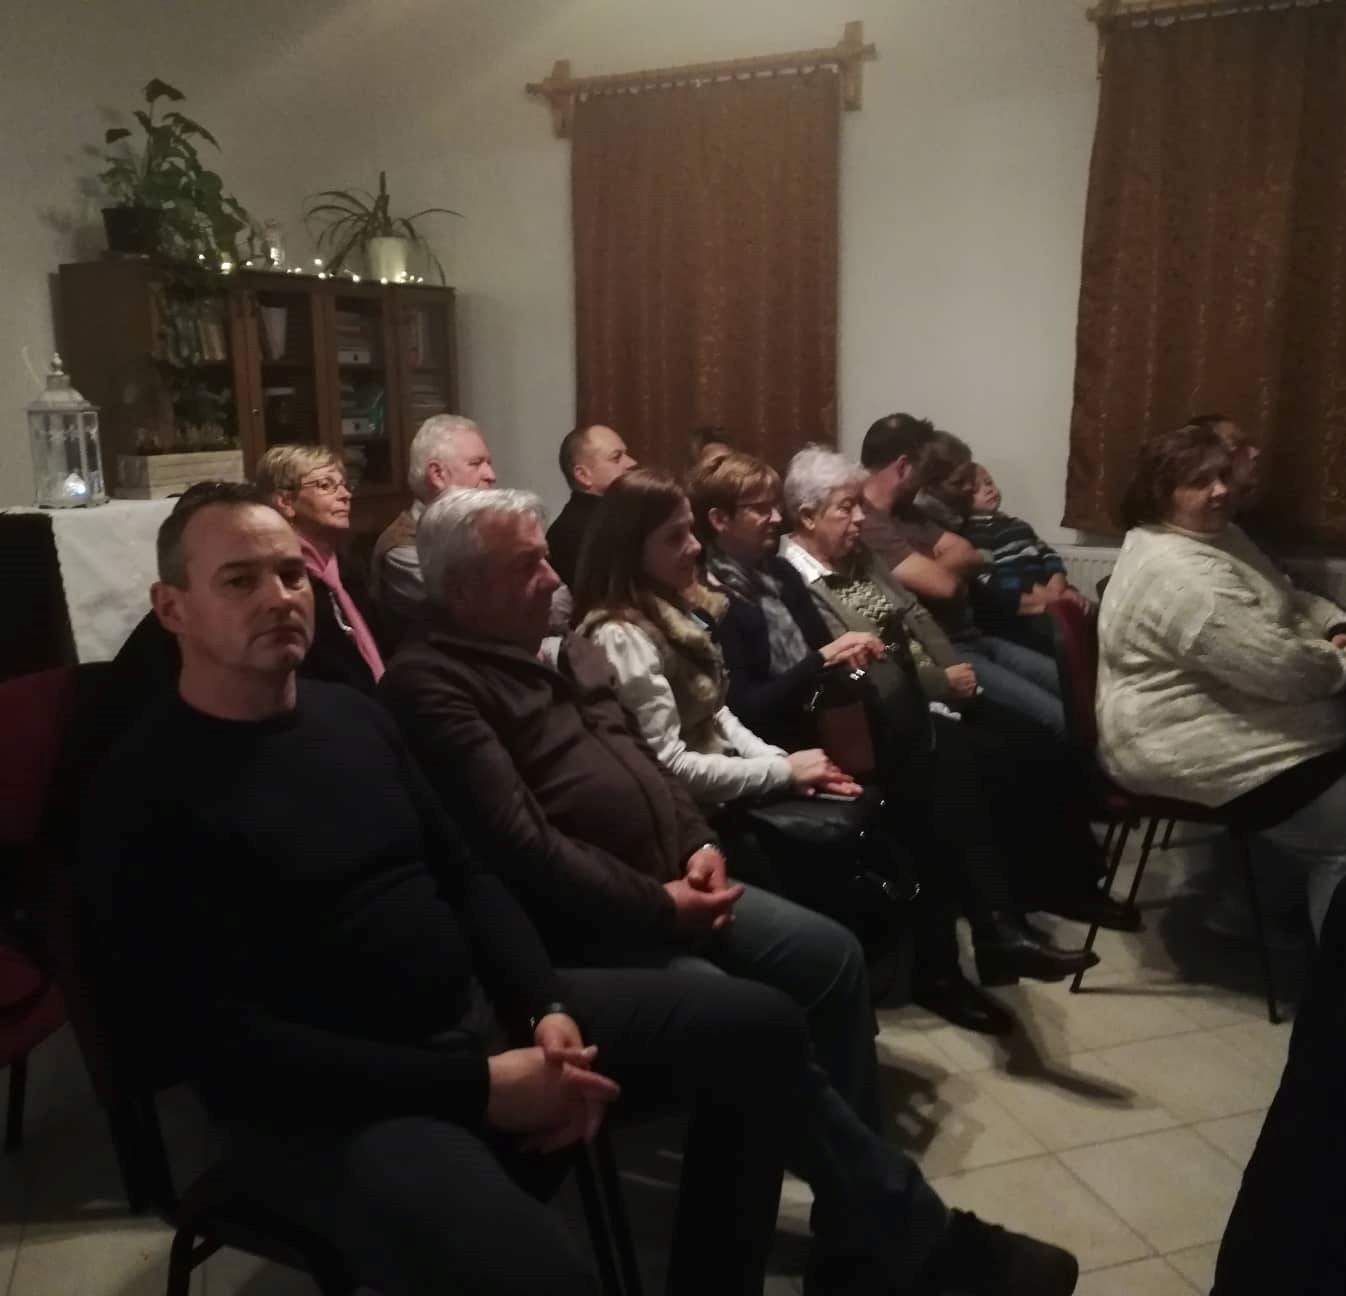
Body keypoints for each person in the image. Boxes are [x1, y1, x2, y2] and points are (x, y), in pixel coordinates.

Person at [75, 483, 825, 1296]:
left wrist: (545, 1007)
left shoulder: (352, 716)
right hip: (329, 1103)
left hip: (470, 1022)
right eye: (239, 579)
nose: (279, 597)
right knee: (545, 1281)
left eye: (292, 574)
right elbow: (226, 1047)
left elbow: (465, 875)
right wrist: (483, 1089)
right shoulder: (140, 791)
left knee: (762, 1027)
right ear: (172, 608)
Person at [379, 485, 1081, 1296]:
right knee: (746, 1022)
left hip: (673, 873)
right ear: (463, 590)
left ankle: (854, 1231)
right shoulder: (432, 682)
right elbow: (521, 844)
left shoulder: (558, 645)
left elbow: (643, 758)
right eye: (528, 564)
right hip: (580, 924)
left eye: (547, 556)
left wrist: (697, 844)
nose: (553, 576)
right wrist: (659, 903)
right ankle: (901, 1233)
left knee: (828, 956)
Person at [681, 449, 1104, 988]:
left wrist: (846, 662)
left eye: (773, 505)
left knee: (952, 760)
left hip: (831, 718)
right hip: (784, 740)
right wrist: (825, 661)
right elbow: (745, 706)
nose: (775, 517)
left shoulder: (777, 574)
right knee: (940, 771)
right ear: (720, 520)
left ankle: (990, 934)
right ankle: (974, 946)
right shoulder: (713, 596)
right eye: (759, 509)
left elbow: (849, 647)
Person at [1098, 421, 1346, 939]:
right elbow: (1286, 672)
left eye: (1224, 476)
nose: (1220, 491)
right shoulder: (1184, 577)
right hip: (1177, 742)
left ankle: (1266, 909)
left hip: (1226, 707)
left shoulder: (1218, 535)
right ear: (1161, 491)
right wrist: (1336, 661)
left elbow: (1288, 595)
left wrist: (1334, 625)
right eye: (1199, 482)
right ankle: (1327, 975)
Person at [859, 414, 1067, 736]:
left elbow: (968, 552)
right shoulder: (867, 523)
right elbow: (943, 585)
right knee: (1058, 717)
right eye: (923, 470)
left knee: (1077, 685)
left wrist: (930, 565)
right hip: (946, 650)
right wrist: (940, 566)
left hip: (973, 635)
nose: (924, 483)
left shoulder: (907, 512)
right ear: (903, 466)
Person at [255, 444, 387, 691]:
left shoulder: (348, 568)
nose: (345, 495)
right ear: (285, 501)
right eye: (326, 485)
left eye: (345, 485)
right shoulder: (280, 580)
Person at [371, 415, 497, 626]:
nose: (491, 475)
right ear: (437, 474)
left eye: (489, 463)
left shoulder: (476, 528)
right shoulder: (401, 547)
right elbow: (483, 612)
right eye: (475, 464)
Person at [962, 464, 1090, 649]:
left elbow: (1047, 553)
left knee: (1087, 612)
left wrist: (1057, 578)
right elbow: (985, 577)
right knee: (1060, 632)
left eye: (989, 482)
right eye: (976, 490)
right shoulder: (976, 532)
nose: (988, 489)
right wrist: (1030, 588)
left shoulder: (1018, 524)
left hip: (1048, 586)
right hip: (1019, 598)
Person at [547, 424, 637, 587]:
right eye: (616, 458)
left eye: (626, 454)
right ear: (583, 475)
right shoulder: (579, 530)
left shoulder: (613, 517)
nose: (632, 463)